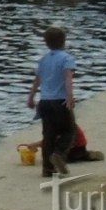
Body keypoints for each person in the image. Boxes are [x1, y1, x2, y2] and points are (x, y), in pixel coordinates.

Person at [27, 26, 77, 178]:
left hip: (45, 102)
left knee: (48, 135)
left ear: (46, 43)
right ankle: (58, 154)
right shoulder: (66, 58)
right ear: (64, 41)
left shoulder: (43, 60)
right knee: (69, 131)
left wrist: (30, 97)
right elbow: (68, 78)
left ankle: (47, 169)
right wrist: (69, 97)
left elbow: (37, 80)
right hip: (60, 100)